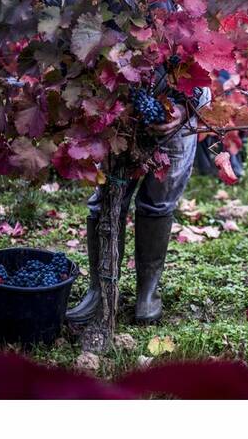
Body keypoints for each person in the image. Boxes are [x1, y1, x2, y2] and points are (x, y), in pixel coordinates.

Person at [66, 73, 211, 325]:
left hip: (176, 117)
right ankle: (100, 290)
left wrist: (183, 109)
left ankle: (147, 293)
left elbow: (201, 61)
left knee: (159, 203)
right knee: (105, 201)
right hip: (119, 110)